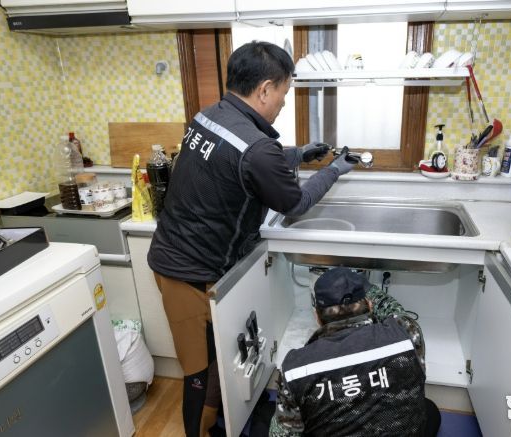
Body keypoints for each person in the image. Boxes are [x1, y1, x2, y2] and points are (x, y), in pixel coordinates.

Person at [147, 41, 357, 437]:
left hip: (179, 256)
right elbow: (295, 203)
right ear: (264, 89)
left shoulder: (209, 115)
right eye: (283, 94)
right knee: (198, 371)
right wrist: (334, 170)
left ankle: (223, 420)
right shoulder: (256, 147)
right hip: (188, 275)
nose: (283, 103)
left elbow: (245, 160)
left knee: (224, 357)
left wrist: (299, 154)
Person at [269, 267, 441, 437]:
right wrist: (367, 287)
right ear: (370, 305)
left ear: (317, 317)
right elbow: (395, 311)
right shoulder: (408, 334)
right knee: (429, 410)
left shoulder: (295, 370)